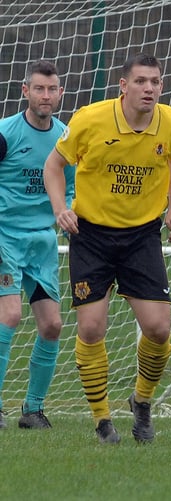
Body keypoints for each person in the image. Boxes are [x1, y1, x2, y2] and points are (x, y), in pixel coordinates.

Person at [43, 52, 171, 445]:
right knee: (92, 328)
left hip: (142, 235)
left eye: (156, 82)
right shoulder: (90, 119)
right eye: (141, 81)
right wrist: (61, 209)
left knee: (158, 329)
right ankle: (102, 420)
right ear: (123, 86)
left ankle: (141, 402)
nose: (149, 88)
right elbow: (54, 166)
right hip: (91, 235)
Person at [0, 60, 75, 430]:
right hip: (5, 238)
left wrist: (70, 215)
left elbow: (71, 187)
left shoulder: (66, 138)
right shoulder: (5, 133)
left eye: (53, 89)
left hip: (41, 243)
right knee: (10, 315)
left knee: (52, 325)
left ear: (60, 93)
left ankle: (33, 410)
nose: (46, 95)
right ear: (25, 91)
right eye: (39, 89)